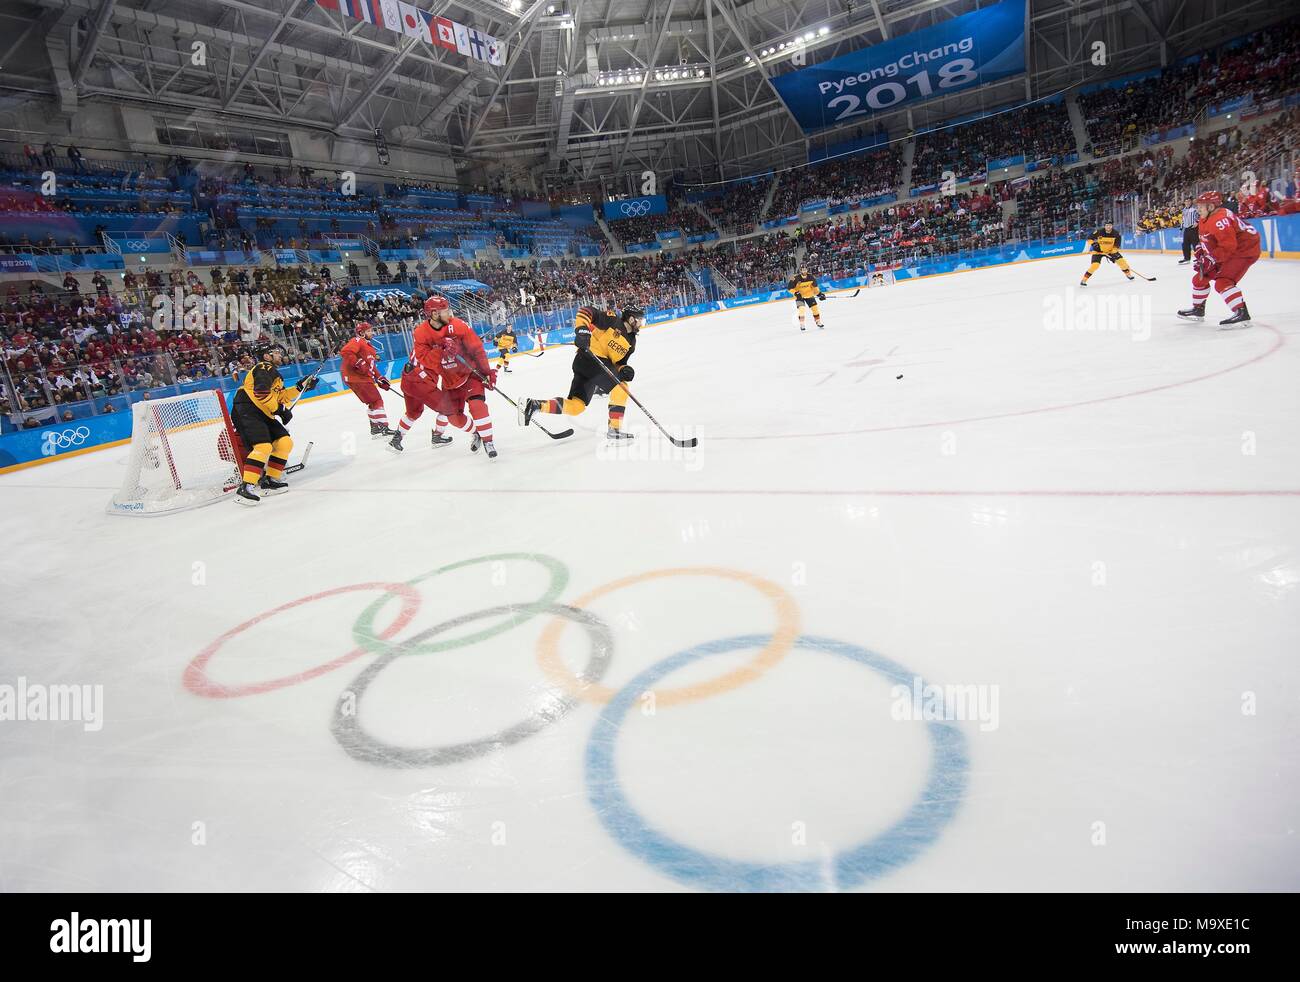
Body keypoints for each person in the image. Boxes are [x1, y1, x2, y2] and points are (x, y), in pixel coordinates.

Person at [388, 295, 499, 457]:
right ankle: (451, 434)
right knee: (450, 414)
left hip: (463, 374)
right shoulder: (421, 334)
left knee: (475, 406)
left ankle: (486, 440)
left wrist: (486, 372)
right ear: (434, 314)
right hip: (437, 381)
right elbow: (426, 360)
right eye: (445, 311)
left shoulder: (458, 326)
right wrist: (441, 348)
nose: (450, 313)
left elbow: (476, 349)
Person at [518, 306, 643, 441]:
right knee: (621, 388)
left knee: (577, 406)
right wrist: (582, 331)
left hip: (591, 366)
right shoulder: (612, 320)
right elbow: (586, 311)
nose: (641, 323)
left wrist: (624, 369)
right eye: (639, 320)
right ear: (631, 318)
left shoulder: (632, 342)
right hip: (590, 360)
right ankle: (614, 429)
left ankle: (535, 405)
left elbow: (618, 363)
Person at [229, 345, 318, 505]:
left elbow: (281, 396)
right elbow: (261, 393)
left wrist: (301, 387)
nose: (280, 354)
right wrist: (280, 410)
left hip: (263, 412)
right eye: (276, 352)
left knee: (284, 442)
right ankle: (245, 488)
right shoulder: (264, 367)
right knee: (263, 447)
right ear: (266, 356)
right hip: (248, 408)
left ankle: (270, 481)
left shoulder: (274, 374)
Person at [1177, 190, 1261, 328]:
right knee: (1199, 279)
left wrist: (1210, 259)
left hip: (1244, 251)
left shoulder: (1219, 220)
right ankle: (1198, 310)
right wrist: (1200, 251)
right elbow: (1207, 239)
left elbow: (1228, 246)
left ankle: (1241, 314)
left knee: (1223, 282)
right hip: (1229, 250)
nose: (1198, 209)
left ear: (1211, 207)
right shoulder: (1206, 218)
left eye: (1201, 206)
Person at [340, 321, 394, 438]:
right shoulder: (357, 341)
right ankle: (384, 426)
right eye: (369, 331)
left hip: (361, 377)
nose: (372, 333)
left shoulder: (368, 346)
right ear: (361, 333)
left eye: (371, 330)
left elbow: (370, 366)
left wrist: (379, 377)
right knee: (377, 400)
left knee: (372, 402)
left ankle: (375, 428)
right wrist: (358, 362)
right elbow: (346, 351)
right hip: (357, 377)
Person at [1079, 221, 1135, 285]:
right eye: (1107, 225)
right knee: (1095, 265)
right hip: (1098, 251)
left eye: (1110, 225)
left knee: (1122, 262)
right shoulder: (1099, 231)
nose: (1108, 227)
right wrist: (1094, 244)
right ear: (1104, 226)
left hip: (1110, 251)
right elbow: (1089, 238)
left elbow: (1117, 245)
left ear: (1112, 226)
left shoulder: (1116, 233)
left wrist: (1113, 254)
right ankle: (1084, 280)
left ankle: (1128, 275)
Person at [788, 266, 824, 330]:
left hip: (809, 295)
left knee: (815, 308)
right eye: (803, 270)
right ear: (800, 271)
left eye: (805, 270)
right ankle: (802, 324)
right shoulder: (795, 278)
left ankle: (818, 321)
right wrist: (796, 293)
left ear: (807, 270)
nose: (804, 271)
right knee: (802, 309)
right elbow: (790, 288)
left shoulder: (811, 277)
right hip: (799, 297)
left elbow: (814, 287)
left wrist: (819, 294)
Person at [1179, 198, 1199, 264]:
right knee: (1185, 244)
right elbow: (1183, 219)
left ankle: (1199, 258)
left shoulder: (1194, 208)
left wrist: (1197, 222)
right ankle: (1187, 258)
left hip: (1193, 228)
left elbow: (1199, 215)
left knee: (1195, 244)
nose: (1187, 202)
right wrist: (1181, 228)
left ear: (1191, 202)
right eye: (1186, 201)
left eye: (1188, 201)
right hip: (1187, 229)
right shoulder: (1184, 210)